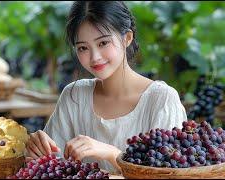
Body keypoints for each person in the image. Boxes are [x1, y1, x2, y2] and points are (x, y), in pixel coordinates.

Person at [25, 1, 187, 174]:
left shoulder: (162, 100)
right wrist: (37, 149)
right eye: (83, 47)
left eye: (103, 43)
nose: (95, 57)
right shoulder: (74, 96)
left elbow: (166, 175)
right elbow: (51, 166)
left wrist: (112, 154)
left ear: (127, 38)